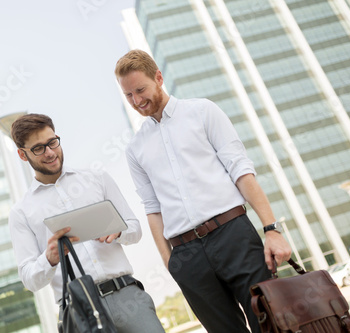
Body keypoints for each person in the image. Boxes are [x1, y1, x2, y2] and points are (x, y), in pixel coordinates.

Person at [115, 49, 292, 333]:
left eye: (140, 90)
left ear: (158, 78)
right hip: (186, 254)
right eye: (128, 96)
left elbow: (241, 171)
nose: (136, 101)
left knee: (270, 323)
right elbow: (152, 207)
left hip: (233, 234)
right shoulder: (135, 148)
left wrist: (271, 228)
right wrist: (169, 261)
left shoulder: (202, 111)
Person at [8, 113, 165, 333]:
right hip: (79, 311)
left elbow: (135, 229)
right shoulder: (21, 212)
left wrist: (118, 232)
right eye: (39, 148)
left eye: (53, 142)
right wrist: (49, 259)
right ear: (22, 155)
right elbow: (29, 280)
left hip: (126, 296)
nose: (50, 152)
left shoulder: (97, 178)